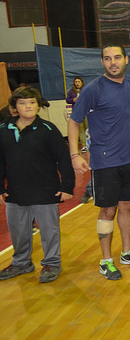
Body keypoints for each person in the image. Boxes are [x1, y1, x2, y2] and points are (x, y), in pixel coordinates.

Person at [69, 44, 130, 280]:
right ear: (102, 62)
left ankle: (126, 252)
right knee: (108, 209)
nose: (113, 62)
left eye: (117, 58)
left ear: (126, 59)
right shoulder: (93, 89)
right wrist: (75, 154)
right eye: (107, 58)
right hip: (104, 163)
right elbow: (74, 120)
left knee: (127, 206)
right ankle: (106, 260)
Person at [0, 87, 74, 283]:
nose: (28, 106)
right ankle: (21, 262)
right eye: (23, 103)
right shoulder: (3, 130)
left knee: (49, 230)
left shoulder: (48, 129)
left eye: (32, 102)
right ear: (14, 107)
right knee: (18, 231)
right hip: (15, 192)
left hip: (45, 190)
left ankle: (52, 263)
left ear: (38, 105)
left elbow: (63, 159)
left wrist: (67, 186)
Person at [66, 77, 88, 152]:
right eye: (75, 82)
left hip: (87, 112)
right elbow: (67, 100)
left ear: (82, 82)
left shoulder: (86, 89)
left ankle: (92, 144)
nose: (77, 83)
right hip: (78, 113)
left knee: (89, 129)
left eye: (78, 81)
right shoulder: (72, 91)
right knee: (81, 130)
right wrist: (73, 100)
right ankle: (84, 146)